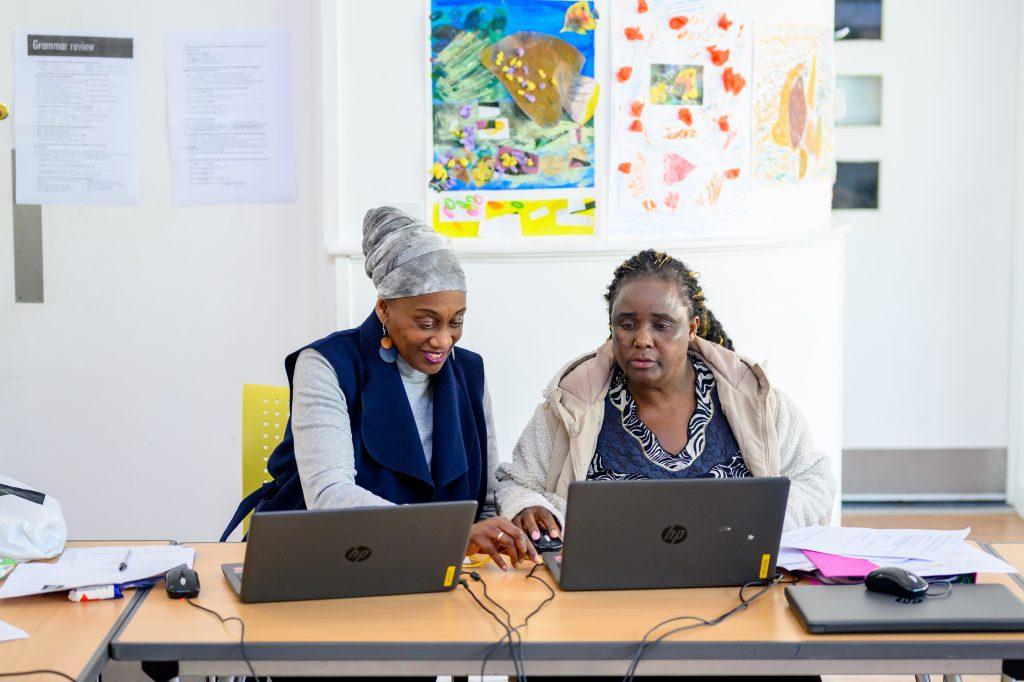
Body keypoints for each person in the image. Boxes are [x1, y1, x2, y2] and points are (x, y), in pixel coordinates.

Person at [222, 206, 534, 569]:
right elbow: (329, 495)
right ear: (384, 309)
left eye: (456, 321)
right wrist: (446, 534)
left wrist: (512, 523)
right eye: (426, 322)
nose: (443, 340)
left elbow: (487, 497)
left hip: (434, 567)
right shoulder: (326, 365)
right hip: (323, 560)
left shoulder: (469, 371)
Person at [496, 248, 836, 547]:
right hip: (608, 593)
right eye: (627, 324)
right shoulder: (571, 405)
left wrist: (758, 522)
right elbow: (516, 483)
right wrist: (526, 507)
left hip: (737, 584)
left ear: (691, 329)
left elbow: (814, 479)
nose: (642, 339)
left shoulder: (755, 401)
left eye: (662, 325)